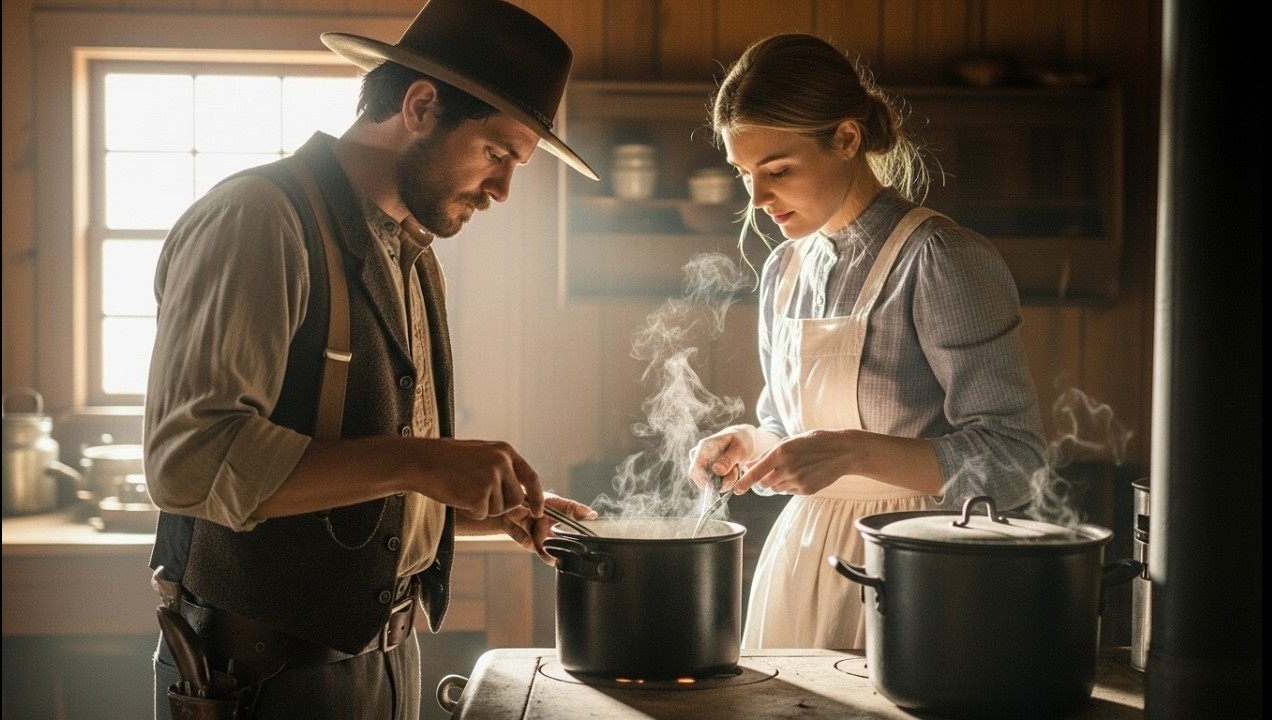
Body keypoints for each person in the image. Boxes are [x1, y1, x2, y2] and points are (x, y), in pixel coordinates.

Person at [143, 1, 598, 718]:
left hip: (386, 662)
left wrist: (472, 506)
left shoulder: (412, 255)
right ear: (420, 105)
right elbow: (191, 460)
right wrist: (424, 464)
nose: (505, 189)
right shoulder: (259, 218)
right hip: (263, 680)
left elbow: (353, 467)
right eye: (497, 153)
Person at [687, 33, 1047, 651]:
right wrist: (751, 443)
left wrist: (851, 452)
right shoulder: (784, 270)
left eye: (777, 170)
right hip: (802, 562)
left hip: (921, 563)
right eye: (745, 174)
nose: (757, 199)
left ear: (848, 138)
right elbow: (787, 427)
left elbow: (1013, 458)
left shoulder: (939, 260)